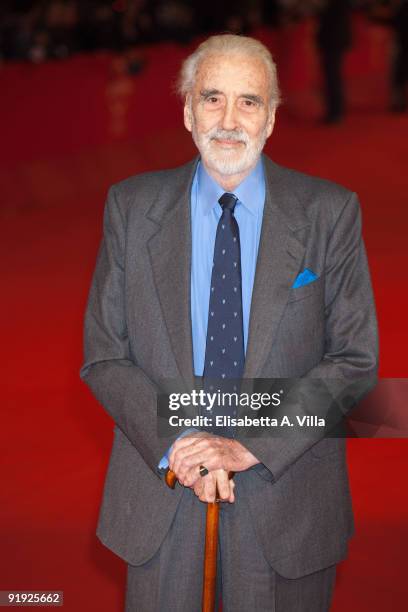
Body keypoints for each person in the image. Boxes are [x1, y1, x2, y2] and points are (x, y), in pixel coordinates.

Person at [80, 34, 378, 612]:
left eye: (249, 101)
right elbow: (105, 354)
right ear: (187, 109)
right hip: (163, 490)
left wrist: (250, 445)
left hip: (286, 495)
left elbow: (353, 360)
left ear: (271, 118)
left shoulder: (330, 211)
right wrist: (179, 445)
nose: (229, 119)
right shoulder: (130, 207)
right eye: (212, 97)